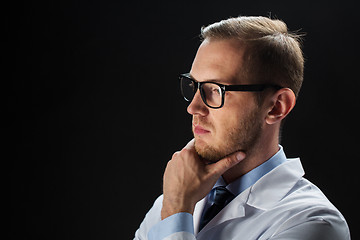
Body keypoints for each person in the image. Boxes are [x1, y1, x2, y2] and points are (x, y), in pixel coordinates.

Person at [134, 16, 350, 240]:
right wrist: (176, 207)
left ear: (276, 106)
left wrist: (177, 211)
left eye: (216, 89)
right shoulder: (173, 201)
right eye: (194, 86)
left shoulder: (314, 223)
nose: (194, 107)